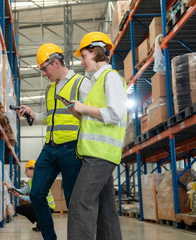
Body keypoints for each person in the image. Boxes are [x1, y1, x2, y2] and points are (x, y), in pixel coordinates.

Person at [14, 43, 91, 240]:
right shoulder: (50, 89)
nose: (43, 73)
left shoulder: (81, 82)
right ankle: (50, 237)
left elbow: (91, 117)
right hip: (50, 149)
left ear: (55, 62)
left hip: (71, 149)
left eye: (44, 68)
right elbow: (48, 117)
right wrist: (32, 114)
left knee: (72, 199)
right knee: (36, 193)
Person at [65, 31, 127, 240]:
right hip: (96, 153)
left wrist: (84, 108)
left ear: (96, 52)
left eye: (84, 56)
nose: (82, 62)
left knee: (80, 203)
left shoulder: (111, 78)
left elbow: (116, 113)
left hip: (101, 154)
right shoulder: (96, 82)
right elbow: (98, 118)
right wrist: (79, 112)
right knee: (106, 209)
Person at [3, 159, 55, 231]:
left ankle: (43, 223)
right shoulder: (31, 181)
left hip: (48, 207)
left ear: (32, 170)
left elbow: (33, 198)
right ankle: (40, 224)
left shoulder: (40, 181)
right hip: (41, 205)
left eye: (26, 170)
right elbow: (22, 191)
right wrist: (9, 187)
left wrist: (20, 196)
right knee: (19, 209)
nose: (25, 172)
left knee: (31, 207)